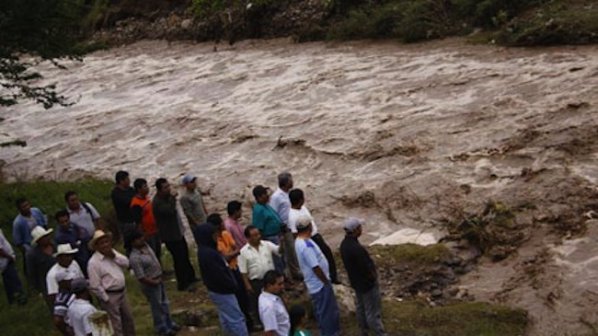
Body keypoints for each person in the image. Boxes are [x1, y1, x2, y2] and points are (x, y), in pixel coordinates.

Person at [195, 223, 248, 336]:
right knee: (237, 319)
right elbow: (220, 275)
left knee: (226, 318)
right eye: (214, 235)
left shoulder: (205, 251)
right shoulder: (209, 254)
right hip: (223, 291)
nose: (217, 238)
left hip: (217, 290)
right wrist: (232, 285)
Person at [208, 213, 257, 332]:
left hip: (235, 268)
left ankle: (249, 323)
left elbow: (235, 249)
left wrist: (232, 254)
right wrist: (232, 253)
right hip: (228, 271)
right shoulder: (214, 242)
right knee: (235, 301)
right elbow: (226, 257)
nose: (223, 223)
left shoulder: (225, 234)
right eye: (221, 222)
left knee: (243, 297)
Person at [340, 218, 387, 336]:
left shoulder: (344, 245)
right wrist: (373, 277)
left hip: (356, 283)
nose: (362, 229)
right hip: (367, 284)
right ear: (356, 230)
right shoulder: (357, 249)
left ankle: (363, 331)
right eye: (360, 227)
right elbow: (366, 268)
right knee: (372, 312)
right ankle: (379, 333)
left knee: (361, 307)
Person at [294, 216, 340, 336]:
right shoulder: (306, 246)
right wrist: (325, 281)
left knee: (325, 311)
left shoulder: (300, 241)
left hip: (316, 283)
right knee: (326, 313)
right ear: (309, 226)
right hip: (319, 284)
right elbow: (315, 267)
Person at [128, 231, 179, 336]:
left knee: (165, 303)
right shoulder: (134, 258)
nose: (142, 239)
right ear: (132, 242)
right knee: (157, 306)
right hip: (151, 283)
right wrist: (153, 282)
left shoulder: (146, 247)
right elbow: (140, 277)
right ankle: (161, 328)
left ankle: (170, 323)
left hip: (159, 278)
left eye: (141, 237)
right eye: (138, 239)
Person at [87, 230, 136, 336]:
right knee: (116, 324)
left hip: (122, 292)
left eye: (106, 242)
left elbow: (127, 263)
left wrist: (114, 256)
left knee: (128, 319)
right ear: (96, 246)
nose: (105, 245)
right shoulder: (93, 262)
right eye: (102, 243)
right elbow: (95, 285)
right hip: (110, 295)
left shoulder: (113, 253)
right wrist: (106, 299)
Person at [152, 178, 197, 291]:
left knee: (185, 255)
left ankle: (191, 278)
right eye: (165, 187)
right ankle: (183, 284)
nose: (169, 189)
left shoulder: (166, 198)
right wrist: (173, 198)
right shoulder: (157, 202)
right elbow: (170, 211)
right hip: (170, 236)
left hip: (178, 232)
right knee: (179, 259)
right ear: (159, 190)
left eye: (168, 186)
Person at [289, 189, 339, 284]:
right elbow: (295, 234)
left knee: (327, 254)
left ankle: (333, 277)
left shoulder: (302, 207)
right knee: (317, 260)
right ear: (300, 200)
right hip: (309, 239)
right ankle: (327, 279)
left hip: (315, 235)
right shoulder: (292, 216)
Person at [238, 225, 280, 328]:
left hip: (270, 280)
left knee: (274, 299)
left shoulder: (266, 245)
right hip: (256, 281)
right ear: (248, 238)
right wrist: (247, 285)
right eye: (255, 235)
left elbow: (279, 251)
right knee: (257, 303)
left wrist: (282, 241)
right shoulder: (243, 252)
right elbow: (243, 271)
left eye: (258, 234)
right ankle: (260, 323)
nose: (258, 236)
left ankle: (277, 318)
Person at [269, 172, 302, 281]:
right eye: (290, 180)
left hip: (294, 226)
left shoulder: (289, 194)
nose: (292, 182)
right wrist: (281, 228)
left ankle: (296, 271)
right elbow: (274, 213)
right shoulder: (276, 197)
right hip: (285, 228)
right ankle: (292, 274)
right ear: (285, 183)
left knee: (295, 250)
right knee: (289, 251)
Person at [251, 185, 284, 272]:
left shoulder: (265, 205)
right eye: (265, 194)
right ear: (259, 197)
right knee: (277, 260)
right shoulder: (258, 210)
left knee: (282, 258)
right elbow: (258, 229)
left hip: (277, 235)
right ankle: (281, 278)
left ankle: (284, 276)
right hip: (270, 238)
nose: (267, 195)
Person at [13, 197, 47, 272]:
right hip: (30, 245)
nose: (27, 208)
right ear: (19, 209)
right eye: (24, 207)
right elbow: (18, 241)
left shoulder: (36, 211)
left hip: (41, 239)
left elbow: (44, 224)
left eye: (27, 205)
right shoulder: (18, 223)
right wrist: (26, 251)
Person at [130, 178, 160, 259]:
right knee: (152, 254)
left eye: (147, 186)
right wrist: (142, 235)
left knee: (158, 251)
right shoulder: (136, 204)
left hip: (155, 230)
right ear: (139, 189)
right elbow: (138, 222)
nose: (147, 188)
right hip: (148, 234)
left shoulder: (146, 198)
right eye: (145, 186)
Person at [26, 226, 56, 309]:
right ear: (38, 241)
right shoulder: (32, 255)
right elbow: (31, 273)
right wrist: (38, 289)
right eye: (43, 238)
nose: (46, 239)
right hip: (46, 285)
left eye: (46, 236)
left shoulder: (54, 245)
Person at [54, 210, 91, 276]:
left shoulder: (73, 226)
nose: (65, 224)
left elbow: (85, 234)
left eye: (66, 221)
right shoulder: (59, 236)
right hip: (75, 262)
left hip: (85, 255)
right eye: (62, 222)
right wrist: (78, 241)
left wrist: (80, 240)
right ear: (58, 223)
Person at [258, 270, 290, 336]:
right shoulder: (269, 306)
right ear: (269, 285)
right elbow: (269, 332)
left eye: (283, 283)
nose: (282, 286)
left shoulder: (268, 295)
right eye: (279, 284)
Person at [0, 228, 26, 305]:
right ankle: (20, 299)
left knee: (8, 281)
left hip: (6, 261)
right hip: (5, 261)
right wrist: (9, 257)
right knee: (13, 280)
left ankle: (13, 300)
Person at [111, 171, 137, 240]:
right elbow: (128, 202)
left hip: (134, 220)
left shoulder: (130, 189)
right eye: (127, 179)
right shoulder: (116, 193)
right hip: (125, 222)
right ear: (121, 181)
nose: (129, 181)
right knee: (129, 241)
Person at [52, 269, 77, 335]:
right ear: (61, 282)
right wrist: (67, 332)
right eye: (68, 279)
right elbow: (58, 320)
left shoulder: (71, 291)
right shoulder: (62, 298)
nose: (72, 280)